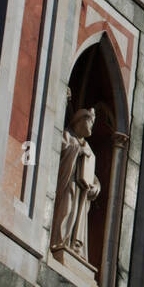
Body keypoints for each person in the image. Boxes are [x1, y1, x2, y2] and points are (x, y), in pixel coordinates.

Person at [51, 107, 102, 257]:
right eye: (89, 121)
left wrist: (96, 186)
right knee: (66, 209)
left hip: (82, 193)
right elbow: (58, 149)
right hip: (69, 184)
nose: (91, 126)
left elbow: (93, 175)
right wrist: (77, 151)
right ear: (80, 121)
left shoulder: (89, 149)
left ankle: (74, 246)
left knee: (78, 217)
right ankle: (60, 241)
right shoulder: (68, 137)